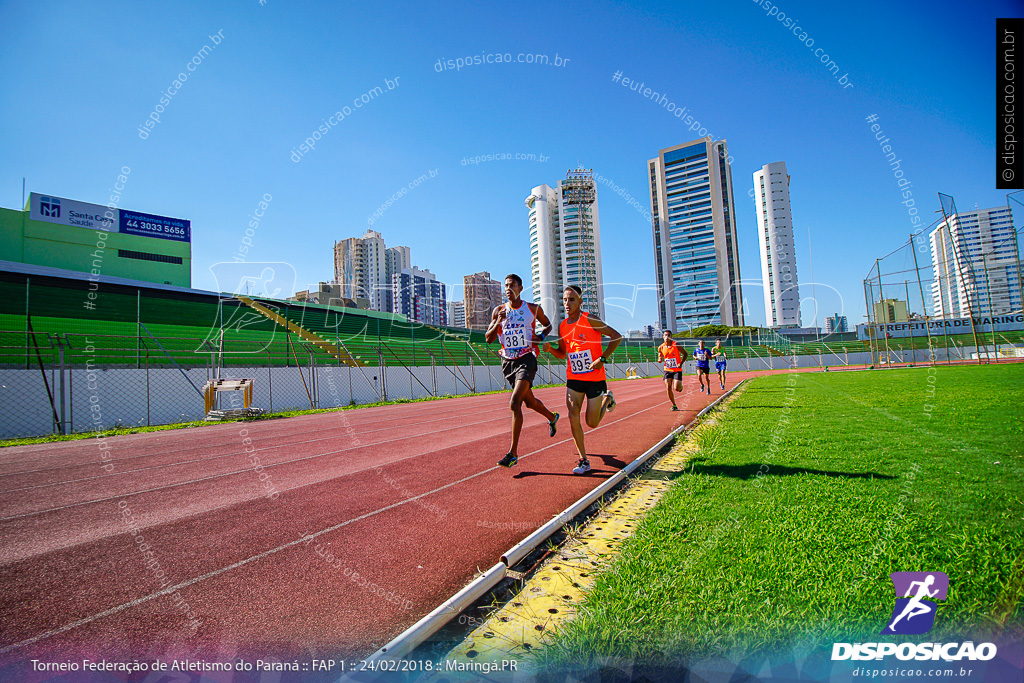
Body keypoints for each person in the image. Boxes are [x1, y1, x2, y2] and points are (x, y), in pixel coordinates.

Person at [543, 285, 622, 475]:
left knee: (592, 423)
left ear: (580, 301)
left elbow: (616, 337)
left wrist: (602, 359)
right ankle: (583, 460)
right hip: (574, 378)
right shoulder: (562, 326)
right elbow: (563, 355)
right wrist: (551, 350)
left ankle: (607, 399)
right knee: (572, 415)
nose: (567, 303)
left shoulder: (590, 319)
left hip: (595, 378)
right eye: (564, 300)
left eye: (571, 299)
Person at [485, 274, 559, 468]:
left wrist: (541, 337)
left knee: (515, 402)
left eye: (512, 286)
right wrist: (497, 322)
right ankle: (552, 417)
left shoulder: (532, 309)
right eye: (506, 286)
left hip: (527, 359)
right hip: (508, 361)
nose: (508, 289)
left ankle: (513, 453)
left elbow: (548, 324)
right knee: (529, 402)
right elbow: (488, 338)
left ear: (521, 288)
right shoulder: (499, 310)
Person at [657, 330, 687, 411]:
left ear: (671, 336)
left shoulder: (676, 345)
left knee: (676, 388)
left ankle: (680, 387)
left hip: (677, 369)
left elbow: (685, 354)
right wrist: (659, 359)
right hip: (667, 369)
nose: (667, 337)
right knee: (668, 387)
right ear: (663, 337)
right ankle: (674, 405)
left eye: (668, 335)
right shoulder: (661, 347)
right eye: (665, 335)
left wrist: (681, 363)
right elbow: (660, 355)